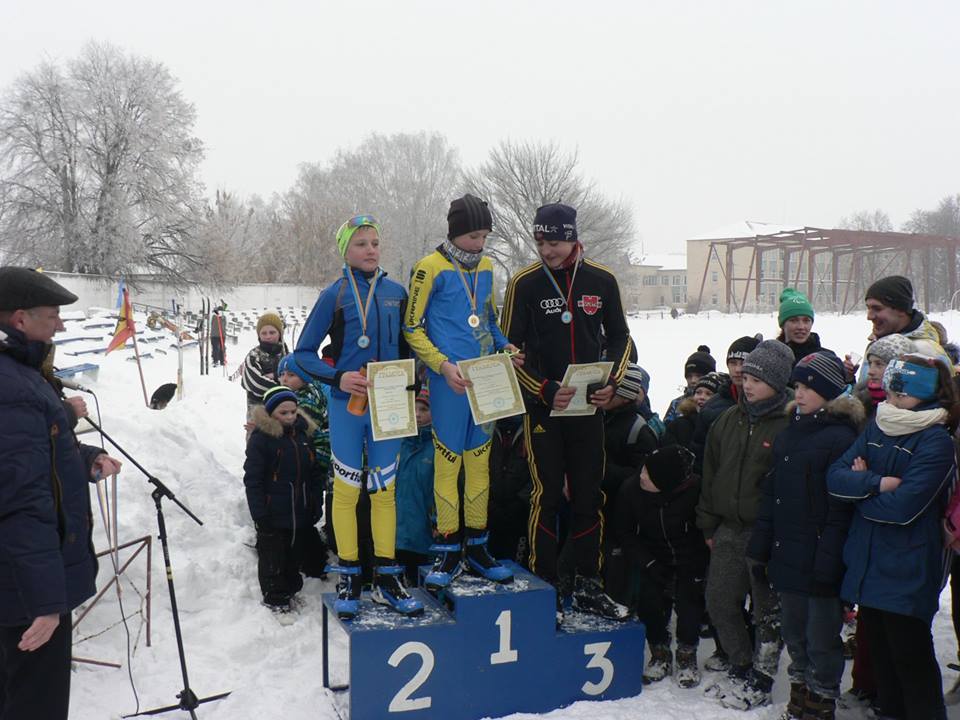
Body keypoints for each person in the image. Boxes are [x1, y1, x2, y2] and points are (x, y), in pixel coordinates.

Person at [501, 201, 633, 623]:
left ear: (573, 237)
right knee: (547, 495)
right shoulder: (523, 283)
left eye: (554, 241)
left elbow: (622, 339)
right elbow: (508, 352)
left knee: (589, 497)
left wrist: (611, 382)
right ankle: (548, 586)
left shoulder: (602, 280)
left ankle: (588, 583)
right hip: (543, 410)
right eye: (540, 241)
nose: (547, 250)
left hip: (588, 410)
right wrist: (543, 388)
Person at [0, 267, 122, 720]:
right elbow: (21, 503)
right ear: (19, 319)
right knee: (35, 703)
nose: (61, 324)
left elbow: (36, 455)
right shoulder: (11, 387)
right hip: (23, 593)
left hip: (20, 583)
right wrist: (46, 603)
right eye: (52, 315)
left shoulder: (20, 374)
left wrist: (81, 458)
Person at [293, 214, 422, 620]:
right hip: (346, 403)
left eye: (375, 242)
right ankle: (350, 573)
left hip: (391, 401)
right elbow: (301, 354)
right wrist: (338, 376)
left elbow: (412, 346)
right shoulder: (334, 295)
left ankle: (387, 576)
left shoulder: (398, 292)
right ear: (345, 251)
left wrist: (418, 382)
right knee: (348, 492)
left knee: (385, 491)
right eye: (361, 244)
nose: (370, 250)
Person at [827, 355, 959, 720]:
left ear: (923, 394)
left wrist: (860, 495)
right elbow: (835, 478)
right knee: (884, 661)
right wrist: (877, 484)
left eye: (901, 390)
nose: (892, 396)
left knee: (911, 660)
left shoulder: (935, 441)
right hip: (869, 562)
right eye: (891, 389)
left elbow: (904, 508)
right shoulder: (879, 425)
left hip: (907, 566)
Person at [403, 194, 519, 590]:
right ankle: (448, 547)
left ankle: (479, 547)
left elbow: (487, 318)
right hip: (449, 383)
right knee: (448, 465)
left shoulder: (486, 267)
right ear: (454, 233)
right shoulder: (428, 268)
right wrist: (442, 365)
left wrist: (505, 345)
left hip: (485, 380)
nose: (479, 244)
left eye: (485, 235)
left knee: (480, 465)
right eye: (473, 236)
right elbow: (412, 328)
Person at [747, 352, 863, 720]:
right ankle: (800, 690)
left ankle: (821, 698)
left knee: (821, 637)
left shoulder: (841, 438)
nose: (799, 393)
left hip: (820, 557)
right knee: (794, 633)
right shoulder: (789, 434)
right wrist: (761, 547)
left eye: (808, 387)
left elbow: (839, 510)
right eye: (797, 385)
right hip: (788, 554)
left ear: (829, 391)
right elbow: (772, 495)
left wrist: (829, 561)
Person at [697, 339, 794, 710]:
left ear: (777, 380)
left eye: (756, 377)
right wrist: (708, 526)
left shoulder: (789, 423)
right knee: (719, 600)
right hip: (728, 529)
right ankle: (740, 663)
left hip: (768, 534)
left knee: (767, 610)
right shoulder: (727, 420)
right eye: (746, 376)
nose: (747, 383)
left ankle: (764, 676)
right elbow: (710, 475)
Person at [612, 445, 709, 689]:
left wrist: (697, 564)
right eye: (643, 469)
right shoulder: (631, 490)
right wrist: (648, 562)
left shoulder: (696, 489)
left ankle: (687, 656)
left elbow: (706, 528)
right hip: (652, 555)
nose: (641, 475)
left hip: (691, 558)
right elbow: (624, 532)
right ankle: (659, 652)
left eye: (648, 473)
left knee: (690, 607)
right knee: (650, 604)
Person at [244, 386, 325, 612]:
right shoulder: (262, 440)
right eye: (283, 413)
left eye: (293, 411)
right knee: (273, 557)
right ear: (271, 413)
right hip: (273, 513)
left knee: (294, 555)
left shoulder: (303, 436)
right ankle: (275, 598)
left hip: (300, 512)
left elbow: (314, 473)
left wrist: (315, 502)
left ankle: (290, 590)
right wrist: (259, 514)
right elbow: (253, 480)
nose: (290, 417)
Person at [845, 275, 950, 379]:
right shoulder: (881, 343)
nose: (869, 316)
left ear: (901, 309)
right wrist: (849, 378)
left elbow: (943, 394)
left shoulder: (924, 352)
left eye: (877, 308)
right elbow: (869, 394)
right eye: (868, 308)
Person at [690, 335, 761, 475]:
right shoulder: (711, 407)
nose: (738, 369)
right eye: (733, 363)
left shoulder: (770, 404)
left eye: (744, 362)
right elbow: (700, 460)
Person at [395, 388, 436, 584]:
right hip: (396, 532)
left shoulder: (438, 447)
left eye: (424, 409)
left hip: (424, 534)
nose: (417, 414)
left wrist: (437, 521)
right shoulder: (398, 444)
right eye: (413, 408)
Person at [241, 312, 288, 414]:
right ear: (259, 335)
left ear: (280, 333)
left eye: (272, 332)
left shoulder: (287, 355)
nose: (268, 336)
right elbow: (255, 383)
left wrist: (274, 376)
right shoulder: (254, 355)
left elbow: (298, 379)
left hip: (286, 413)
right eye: (264, 333)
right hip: (259, 413)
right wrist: (285, 390)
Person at [664, 371, 721, 450]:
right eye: (698, 392)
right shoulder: (678, 425)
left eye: (708, 394)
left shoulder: (722, 425)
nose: (702, 397)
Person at [776, 288, 831, 365]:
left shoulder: (826, 358)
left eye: (806, 320)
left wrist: (847, 374)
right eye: (793, 320)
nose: (801, 327)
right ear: (782, 324)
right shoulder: (771, 358)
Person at [664, 346, 716, 423]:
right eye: (689, 376)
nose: (693, 380)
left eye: (698, 376)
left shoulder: (718, 403)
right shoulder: (676, 404)